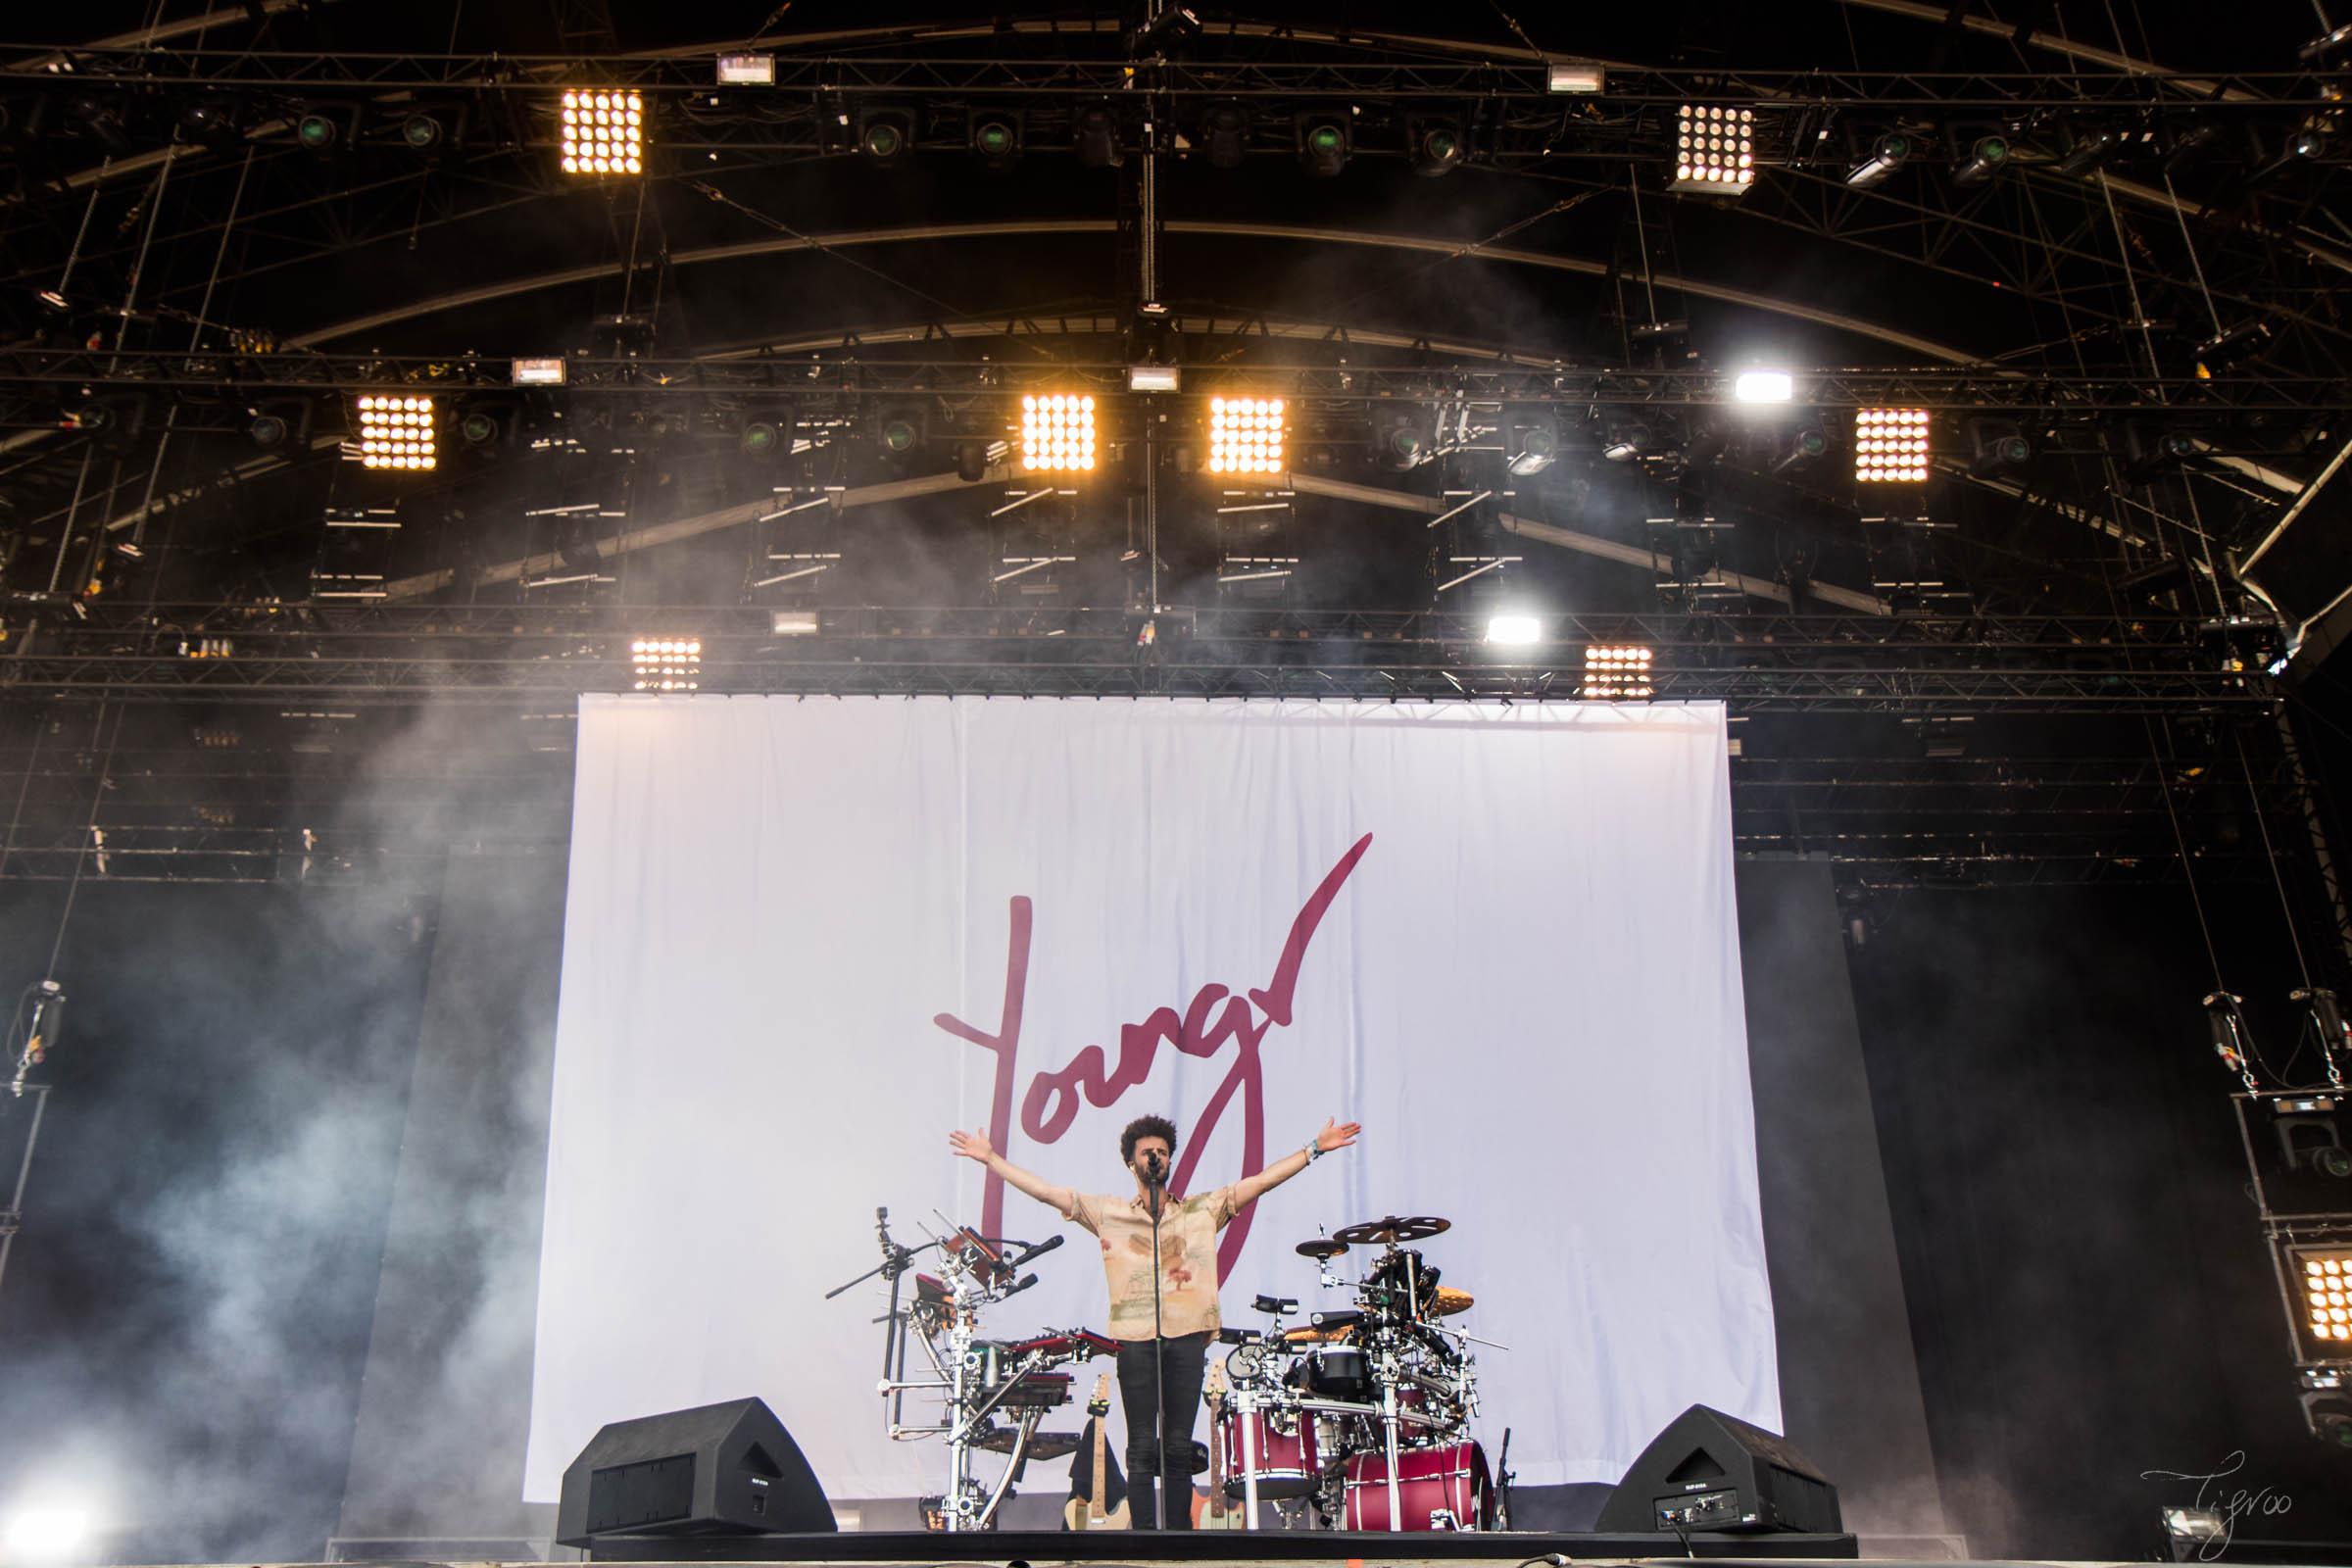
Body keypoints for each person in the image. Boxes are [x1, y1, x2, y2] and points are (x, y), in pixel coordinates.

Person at [949, 1112, 1361, 1528]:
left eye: (1163, 1152)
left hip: (1186, 1338)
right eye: (1148, 1152)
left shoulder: (1201, 1210)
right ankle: (1144, 1540)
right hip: (1135, 1339)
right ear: (1132, 1163)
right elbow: (1048, 1194)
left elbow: (1261, 1182)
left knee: (1179, 1447)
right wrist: (992, 1160)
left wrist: (1313, 1149)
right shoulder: (1109, 1213)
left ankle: (1179, 1543)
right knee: (1142, 1447)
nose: (1156, 1158)